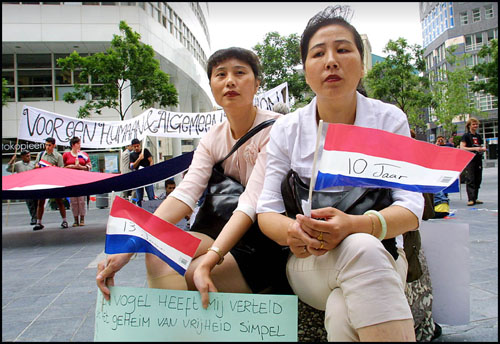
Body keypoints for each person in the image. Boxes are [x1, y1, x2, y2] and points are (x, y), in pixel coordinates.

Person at [256, 6, 423, 341]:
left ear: (362, 65)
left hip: (385, 252)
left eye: (343, 50)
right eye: (319, 53)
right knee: (361, 250)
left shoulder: (389, 121)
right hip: (311, 264)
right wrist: (295, 233)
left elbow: (412, 207)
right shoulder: (287, 129)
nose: (331, 60)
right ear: (306, 71)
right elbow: (266, 210)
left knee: (343, 310)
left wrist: (355, 225)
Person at [97, 47, 288, 308]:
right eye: (220, 74)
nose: (230, 81)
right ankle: (176, 331)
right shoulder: (211, 138)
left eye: (240, 73)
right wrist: (128, 249)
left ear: (256, 84)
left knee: (193, 272)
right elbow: (185, 194)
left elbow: (251, 201)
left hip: (260, 239)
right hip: (215, 229)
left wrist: (210, 258)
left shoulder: (277, 129)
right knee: (156, 254)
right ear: (211, 86)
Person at [33, 137, 68, 230]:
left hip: (54, 181)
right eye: (46, 145)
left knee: (59, 201)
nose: (47, 147)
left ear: (53, 145)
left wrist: (53, 167)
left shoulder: (58, 156)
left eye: (49, 145)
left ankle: (64, 221)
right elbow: (36, 165)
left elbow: (61, 169)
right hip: (43, 180)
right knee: (41, 202)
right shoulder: (40, 154)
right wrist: (40, 166)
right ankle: (38, 222)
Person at [63, 136, 92, 227]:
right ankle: (75, 219)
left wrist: (81, 167)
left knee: (82, 199)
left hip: (82, 179)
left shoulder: (83, 154)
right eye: (78, 143)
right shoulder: (66, 155)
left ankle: (82, 218)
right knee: (73, 200)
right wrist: (71, 167)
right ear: (73, 145)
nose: (80, 145)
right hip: (71, 179)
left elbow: (89, 166)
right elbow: (62, 167)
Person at [6, 150, 38, 225]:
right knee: (30, 203)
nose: (29, 157)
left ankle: (37, 217)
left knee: (36, 202)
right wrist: (12, 161)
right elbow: (8, 169)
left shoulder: (33, 164)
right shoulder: (17, 164)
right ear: (22, 157)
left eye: (29, 155)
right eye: (27, 156)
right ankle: (34, 217)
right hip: (25, 186)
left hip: (34, 185)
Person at [460, 117, 487, 206]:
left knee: (478, 178)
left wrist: (482, 149)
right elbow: (462, 147)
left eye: (476, 124)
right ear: (469, 126)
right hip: (470, 159)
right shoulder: (466, 136)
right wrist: (475, 148)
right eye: (473, 124)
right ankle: (470, 198)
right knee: (470, 178)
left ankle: (475, 197)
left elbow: (480, 145)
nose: (475, 126)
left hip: (478, 159)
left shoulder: (478, 136)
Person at [129, 138, 155, 207]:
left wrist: (150, 170)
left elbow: (151, 161)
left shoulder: (145, 151)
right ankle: (140, 211)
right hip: (138, 178)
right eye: (135, 146)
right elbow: (132, 166)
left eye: (138, 146)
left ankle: (152, 210)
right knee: (139, 197)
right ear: (132, 147)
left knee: (151, 195)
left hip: (147, 176)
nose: (136, 148)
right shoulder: (132, 155)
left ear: (140, 145)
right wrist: (139, 159)